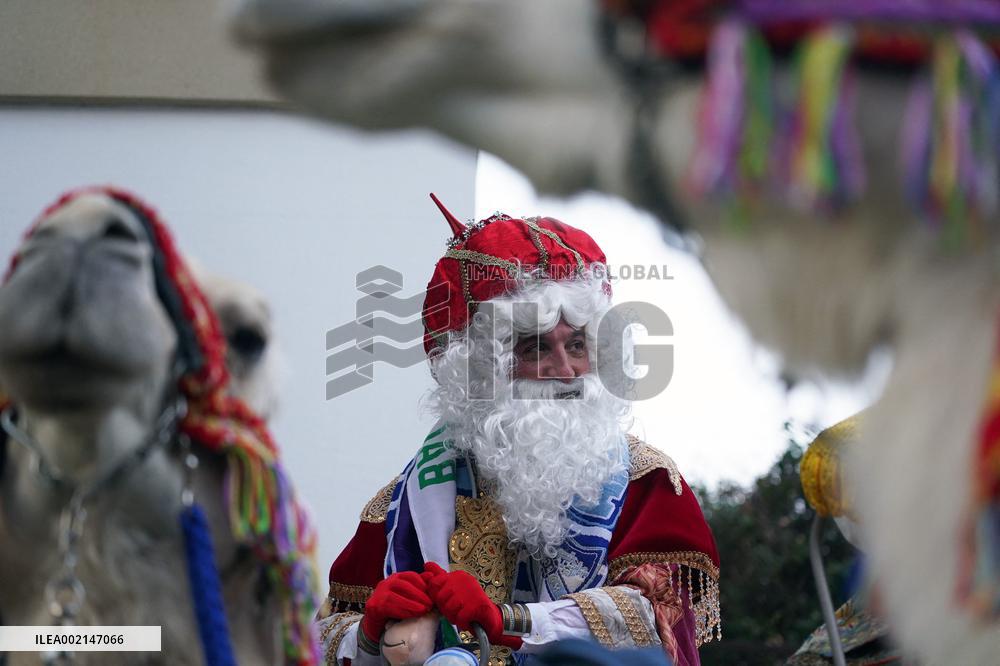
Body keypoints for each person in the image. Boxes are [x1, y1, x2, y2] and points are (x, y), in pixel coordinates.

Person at [316, 195, 720, 665]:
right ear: (480, 372)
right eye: (535, 349)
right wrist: (366, 635)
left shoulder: (648, 485)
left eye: (577, 343)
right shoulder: (399, 507)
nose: (567, 370)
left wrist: (509, 620)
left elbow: (657, 620)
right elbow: (319, 635)